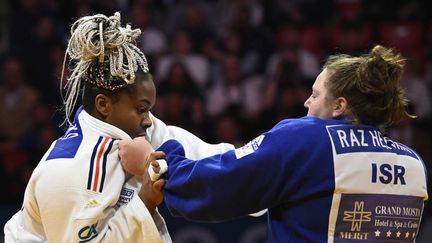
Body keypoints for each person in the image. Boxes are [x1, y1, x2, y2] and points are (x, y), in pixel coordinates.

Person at [121, 45, 429, 242]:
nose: (307, 102)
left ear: (339, 106)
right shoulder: (413, 163)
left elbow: (218, 184)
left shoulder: (309, 139)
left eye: (316, 94)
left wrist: (159, 162)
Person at [3, 12, 234, 243]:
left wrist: (262, 164)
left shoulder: (137, 128)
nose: (148, 119)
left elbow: (205, 157)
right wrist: (145, 201)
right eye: (142, 109)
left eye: (149, 109)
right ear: (103, 105)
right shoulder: (67, 171)